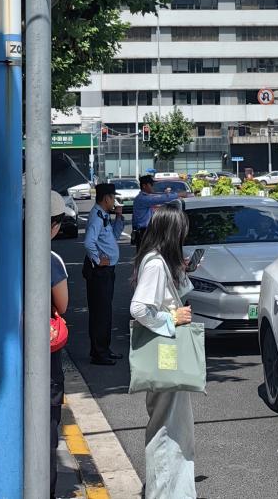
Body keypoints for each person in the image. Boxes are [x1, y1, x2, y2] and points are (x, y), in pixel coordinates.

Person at [129, 206, 196, 498]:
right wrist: (171, 319)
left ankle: (175, 491)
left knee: (175, 426)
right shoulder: (156, 264)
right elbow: (139, 308)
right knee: (169, 428)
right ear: (172, 232)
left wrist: (182, 270)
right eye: (181, 230)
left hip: (166, 350)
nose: (184, 235)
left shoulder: (157, 261)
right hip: (165, 350)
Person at [83, 183, 125, 366]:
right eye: (113, 198)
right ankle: (99, 353)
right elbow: (88, 242)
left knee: (105, 311)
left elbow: (113, 237)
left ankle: (103, 349)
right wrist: (98, 260)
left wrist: (118, 217)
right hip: (99, 272)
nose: (114, 201)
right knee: (100, 313)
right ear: (106, 198)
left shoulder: (104, 215)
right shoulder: (96, 217)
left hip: (107, 271)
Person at [48, 193, 69, 498]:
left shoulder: (5, 249)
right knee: (47, 426)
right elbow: (62, 305)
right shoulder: (51, 260)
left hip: (8, 349)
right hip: (45, 352)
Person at [131, 175, 182, 248]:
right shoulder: (142, 198)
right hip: (144, 232)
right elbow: (160, 199)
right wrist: (178, 194)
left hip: (144, 231)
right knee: (147, 253)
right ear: (144, 186)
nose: (153, 186)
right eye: (151, 184)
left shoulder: (143, 197)